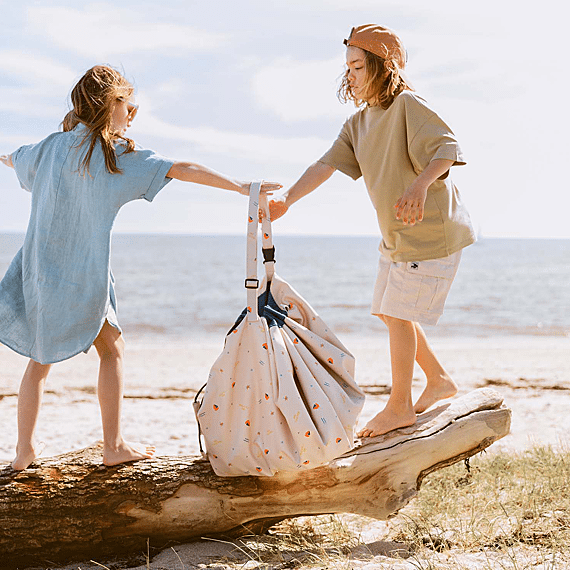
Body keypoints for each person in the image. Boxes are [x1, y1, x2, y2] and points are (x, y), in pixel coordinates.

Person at [0, 65, 281, 470]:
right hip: (84, 275)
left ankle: (23, 450)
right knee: (112, 351)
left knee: (40, 361)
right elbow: (181, 168)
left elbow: (16, 159)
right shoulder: (113, 157)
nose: (132, 113)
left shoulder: (46, 148)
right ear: (105, 105)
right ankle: (112, 446)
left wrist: (7, 157)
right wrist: (241, 187)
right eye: (126, 105)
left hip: (39, 274)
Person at [269, 25, 475, 437]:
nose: (351, 75)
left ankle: (400, 406)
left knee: (398, 314)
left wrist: (420, 184)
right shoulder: (358, 124)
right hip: (399, 238)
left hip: (431, 234)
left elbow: (447, 147)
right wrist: (287, 199)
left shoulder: (407, 105)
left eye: (358, 66)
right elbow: (324, 165)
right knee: (387, 310)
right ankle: (438, 381)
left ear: (383, 67)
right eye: (347, 68)